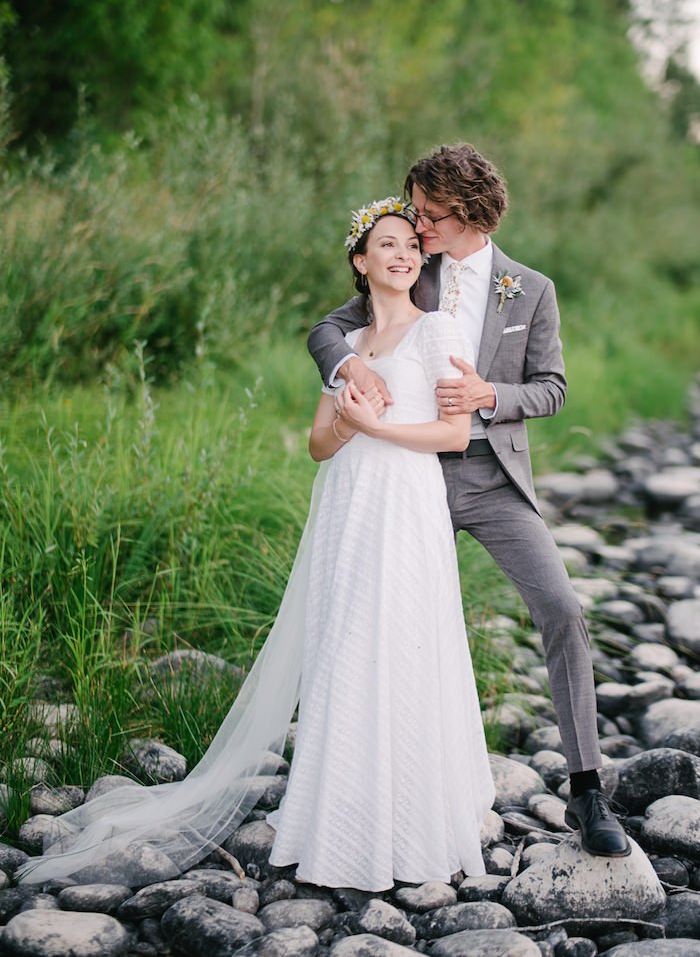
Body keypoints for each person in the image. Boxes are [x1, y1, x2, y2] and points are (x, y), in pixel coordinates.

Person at [17, 201, 496, 890]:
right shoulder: (348, 347)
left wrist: (379, 428)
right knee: (344, 645)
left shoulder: (439, 329)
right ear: (360, 263)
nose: (402, 256)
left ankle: (412, 823)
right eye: (386, 246)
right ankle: (338, 822)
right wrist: (351, 423)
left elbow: (454, 437)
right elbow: (317, 444)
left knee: (402, 642)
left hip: (405, 503)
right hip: (346, 501)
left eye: (410, 248)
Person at [306, 144, 627, 857]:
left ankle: (587, 791)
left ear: (470, 214)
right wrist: (349, 362)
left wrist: (492, 396)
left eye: (429, 216)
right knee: (380, 624)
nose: (415, 227)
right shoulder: (407, 270)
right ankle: (373, 790)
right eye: (412, 212)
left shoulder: (530, 288)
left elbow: (552, 386)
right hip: (403, 475)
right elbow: (326, 329)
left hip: (489, 479)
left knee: (563, 608)